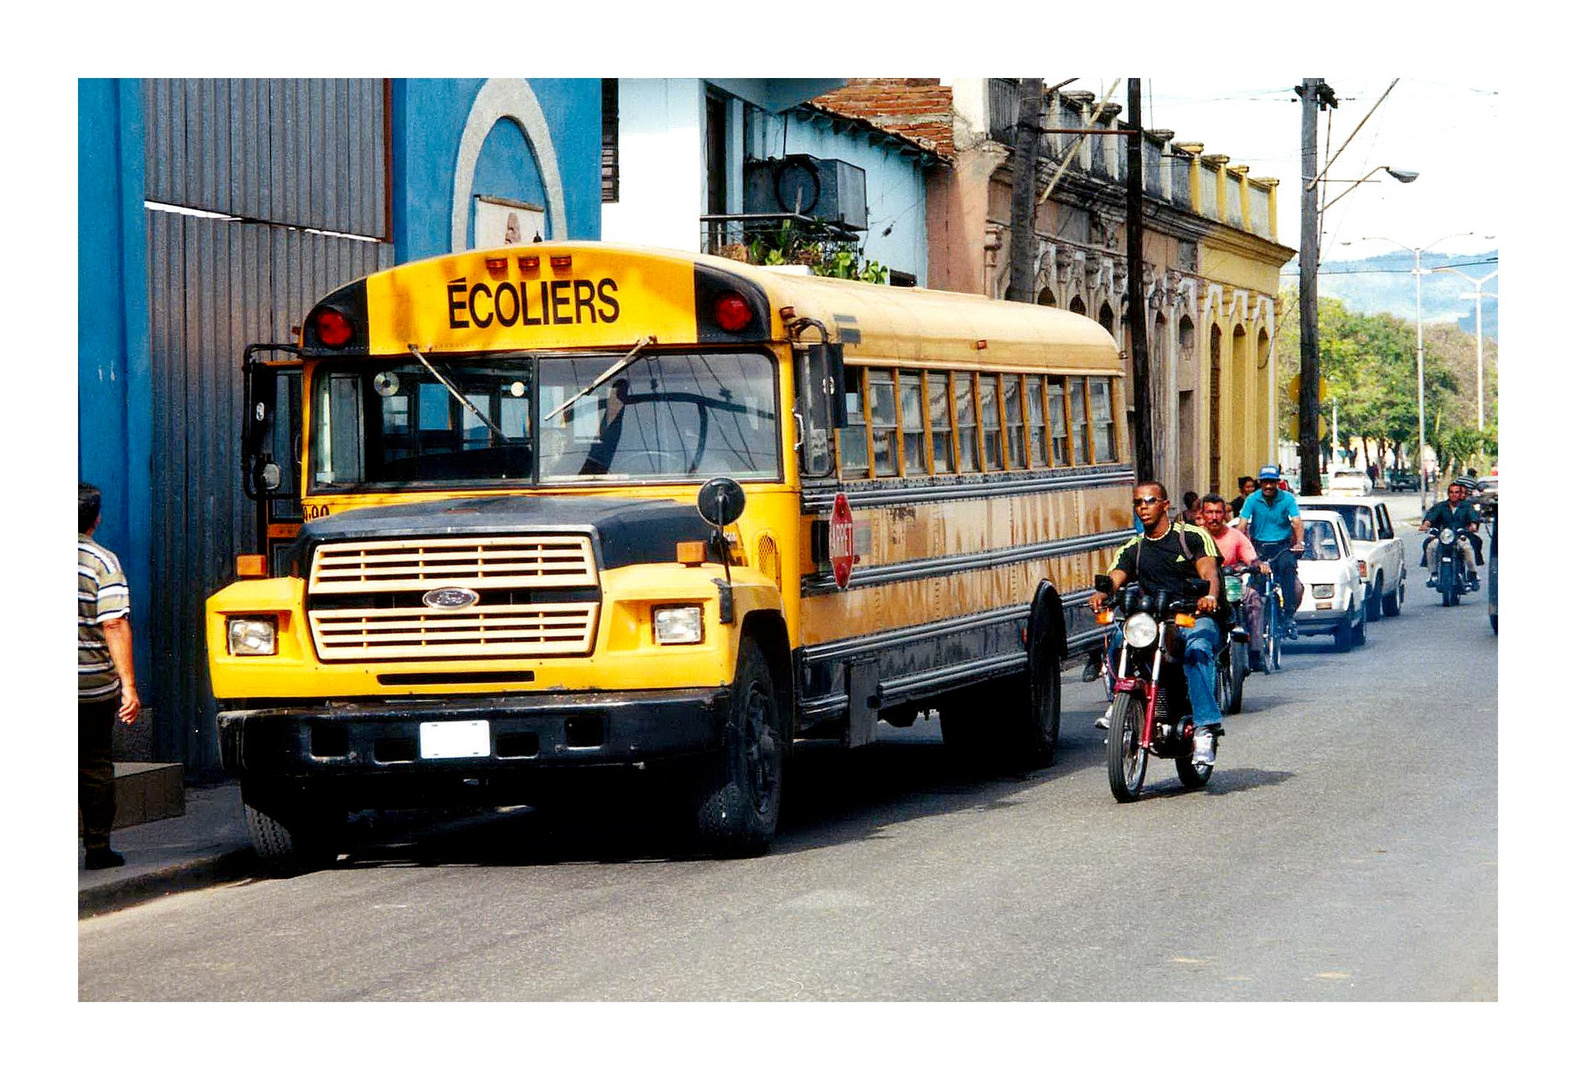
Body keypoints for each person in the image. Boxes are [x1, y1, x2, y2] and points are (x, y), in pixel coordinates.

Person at [1089, 481, 1226, 766]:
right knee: (1119, 640)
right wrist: (1103, 592)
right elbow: (1117, 574)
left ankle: (1204, 730)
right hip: (1153, 621)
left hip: (1193, 617)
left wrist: (1209, 596)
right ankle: (1120, 702)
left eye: (1150, 501)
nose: (1143, 508)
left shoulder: (1192, 537)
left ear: (1165, 505)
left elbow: (1209, 569)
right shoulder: (1134, 547)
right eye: (1138, 503)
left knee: (1196, 649)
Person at [79, 482, 141, 869]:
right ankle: (98, 849)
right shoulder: (102, 562)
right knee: (94, 765)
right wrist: (129, 687)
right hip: (90, 687)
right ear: (96, 519)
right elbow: (114, 624)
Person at [1198, 493, 1272, 672]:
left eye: (1218, 512)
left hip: (1231, 585)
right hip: (1202, 588)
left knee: (1252, 598)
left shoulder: (1236, 536)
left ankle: (1255, 651)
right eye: (1209, 512)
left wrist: (1258, 565)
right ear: (1202, 514)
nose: (1214, 517)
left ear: (1225, 514)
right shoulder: (1195, 536)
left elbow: (1250, 557)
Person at [1236, 464, 1305, 639]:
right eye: (1265, 482)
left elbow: (1297, 522)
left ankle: (1288, 616)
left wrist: (1299, 542)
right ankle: (1253, 625)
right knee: (1254, 587)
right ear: (1260, 482)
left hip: (1282, 547)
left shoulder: (1287, 499)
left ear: (1277, 483)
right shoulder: (1252, 499)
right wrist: (1239, 545)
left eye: (1272, 482)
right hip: (1259, 547)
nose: (1268, 486)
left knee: (1288, 570)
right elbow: (1242, 525)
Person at [1420, 478, 1482, 588]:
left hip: (1460, 536)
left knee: (1467, 548)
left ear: (1460, 494)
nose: (1454, 495)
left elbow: (1473, 517)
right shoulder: (1441, 506)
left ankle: (1473, 574)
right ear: (1448, 494)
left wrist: (1473, 525)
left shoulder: (1466, 506)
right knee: (1431, 546)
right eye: (1451, 492)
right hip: (1443, 536)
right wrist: (1426, 524)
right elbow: (1431, 516)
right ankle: (1433, 574)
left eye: (1456, 492)